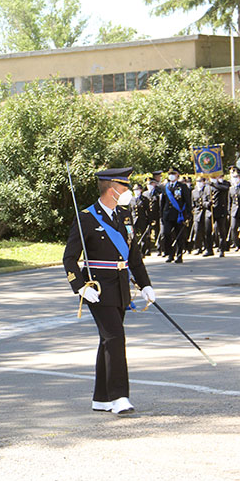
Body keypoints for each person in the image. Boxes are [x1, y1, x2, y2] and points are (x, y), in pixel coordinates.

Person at [63, 167, 155, 415]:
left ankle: (101, 398)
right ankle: (119, 397)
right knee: (115, 338)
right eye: (124, 187)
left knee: (108, 340)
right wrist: (80, 287)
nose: (127, 191)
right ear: (111, 189)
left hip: (121, 287)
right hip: (98, 289)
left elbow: (133, 255)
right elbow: (69, 258)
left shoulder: (124, 215)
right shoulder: (86, 218)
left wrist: (145, 283)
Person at [160, 167, 192, 263]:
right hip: (168, 215)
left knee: (179, 235)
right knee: (166, 234)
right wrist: (161, 215)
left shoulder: (182, 186)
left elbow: (187, 200)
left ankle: (179, 255)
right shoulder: (165, 187)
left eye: (173, 173)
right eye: (170, 174)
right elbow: (162, 202)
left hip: (179, 214)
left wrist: (188, 213)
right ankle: (170, 254)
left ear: (177, 175)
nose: (171, 175)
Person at [208, 175, 230, 256]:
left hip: (221, 211)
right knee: (209, 231)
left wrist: (214, 184)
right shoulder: (208, 186)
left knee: (221, 231)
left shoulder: (223, 184)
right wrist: (207, 204)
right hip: (211, 211)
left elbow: (225, 188)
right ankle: (209, 249)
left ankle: (222, 249)